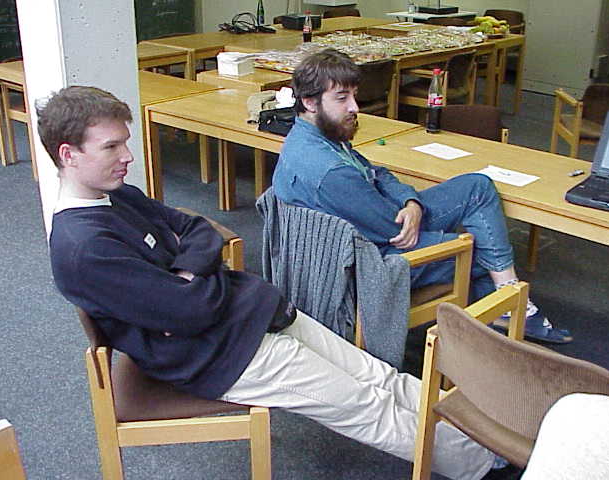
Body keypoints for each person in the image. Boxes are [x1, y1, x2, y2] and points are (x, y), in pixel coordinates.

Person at [38, 85, 497, 480]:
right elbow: (191, 310)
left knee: (380, 376)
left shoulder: (117, 196)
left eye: (125, 143)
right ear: (68, 154)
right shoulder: (84, 249)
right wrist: (201, 273)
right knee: (367, 405)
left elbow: (198, 228)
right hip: (224, 354)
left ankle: (492, 431)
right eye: (111, 147)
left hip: (253, 312)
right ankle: (489, 464)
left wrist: (190, 272)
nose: (128, 157)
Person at [272, 48, 572, 344]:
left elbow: (378, 173)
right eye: (342, 98)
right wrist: (414, 216)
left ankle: (500, 302)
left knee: (477, 187)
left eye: (354, 95)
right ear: (309, 102)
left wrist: (411, 202)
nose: (355, 107)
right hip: (371, 258)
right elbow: (393, 230)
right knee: (483, 246)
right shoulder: (330, 171)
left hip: (371, 227)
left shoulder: (312, 136)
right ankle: (503, 306)